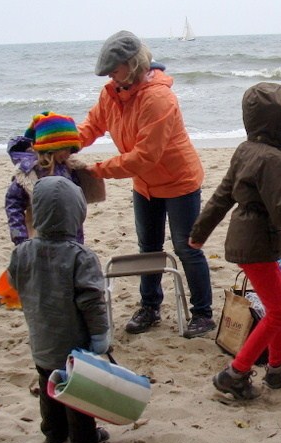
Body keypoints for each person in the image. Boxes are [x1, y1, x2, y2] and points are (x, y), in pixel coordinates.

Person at [189, 83, 281, 400]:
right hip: (256, 244)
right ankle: (236, 372)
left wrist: (198, 234)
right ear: (278, 121)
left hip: (251, 242)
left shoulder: (247, 149)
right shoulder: (271, 158)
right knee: (280, 311)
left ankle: (277, 369)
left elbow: (221, 197)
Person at [77, 30, 214, 338]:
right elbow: (92, 125)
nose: (111, 75)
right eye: (108, 71)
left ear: (133, 63)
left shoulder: (158, 97)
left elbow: (144, 156)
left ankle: (203, 314)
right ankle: (150, 307)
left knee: (186, 247)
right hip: (145, 185)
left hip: (179, 181)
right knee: (148, 246)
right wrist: (65, 142)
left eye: (115, 67)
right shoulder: (111, 92)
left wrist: (95, 171)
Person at [8, 176, 111, 443]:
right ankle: (83, 439)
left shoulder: (22, 252)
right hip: (73, 344)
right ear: (77, 213)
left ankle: (53, 433)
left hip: (41, 338)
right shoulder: (81, 257)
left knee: (48, 385)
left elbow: (15, 283)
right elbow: (92, 301)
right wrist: (100, 335)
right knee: (78, 391)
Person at [5, 112, 87, 245]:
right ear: (50, 148)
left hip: (71, 234)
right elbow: (13, 204)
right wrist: (20, 238)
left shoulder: (68, 167)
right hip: (39, 236)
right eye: (64, 149)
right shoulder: (29, 173)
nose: (68, 153)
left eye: (71, 149)